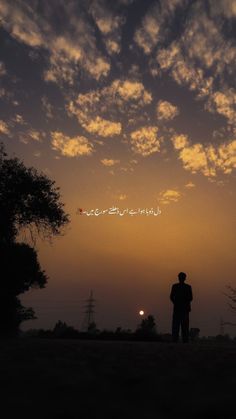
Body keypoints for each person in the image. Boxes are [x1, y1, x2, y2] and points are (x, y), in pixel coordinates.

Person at [170, 272, 193, 343]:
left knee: (182, 326)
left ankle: (180, 340)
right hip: (181, 309)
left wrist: (177, 302)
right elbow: (171, 297)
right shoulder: (185, 287)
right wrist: (177, 303)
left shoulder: (177, 286)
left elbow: (190, 298)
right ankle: (179, 340)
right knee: (180, 326)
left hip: (182, 309)